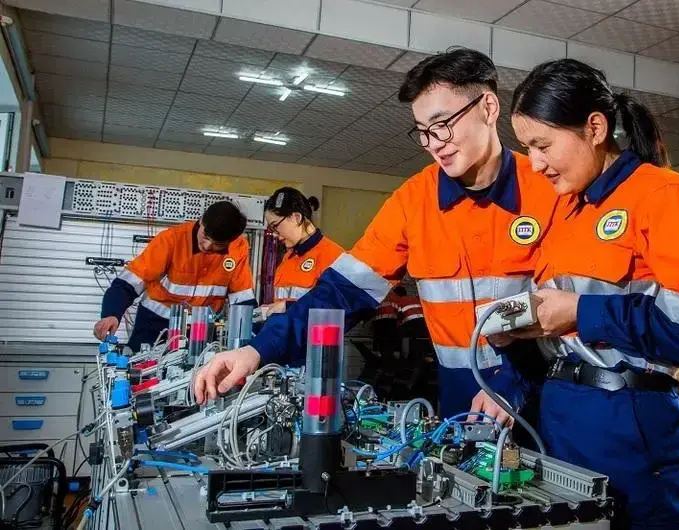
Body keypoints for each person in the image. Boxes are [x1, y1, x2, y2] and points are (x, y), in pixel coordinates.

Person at [195, 48, 559, 425]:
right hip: (459, 400)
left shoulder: (549, 189)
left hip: (543, 395)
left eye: (442, 124)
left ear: (487, 108)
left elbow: (573, 307)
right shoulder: (412, 201)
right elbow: (340, 293)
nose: (433, 143)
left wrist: (514, 380)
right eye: (422, 132)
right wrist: (257, 352)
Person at [505, 58, 679, 528]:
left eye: (544, 145)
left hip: (628, 415)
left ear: (594, 127)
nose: (535, 163)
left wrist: (579, 312)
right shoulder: (566, 212)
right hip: (560, 410)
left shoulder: (666, 194)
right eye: (527, 147)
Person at [93, 201, 256, 351]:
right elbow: (129, 282)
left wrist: (256, 339)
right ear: (201, 221)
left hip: (200, 329)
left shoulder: (238, 248)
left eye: (218, 245)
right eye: (205, 237)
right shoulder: (171, 239)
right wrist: (112, 313)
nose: (207, 246)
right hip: (154, 325)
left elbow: (243, 299)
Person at [259, 187, 344, 318]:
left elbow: (338, 308)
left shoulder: (334, 256)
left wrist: (289, 307)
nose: (275, 235)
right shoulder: (289, 257)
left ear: (297, 217)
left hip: (314, 338)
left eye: (275, 226)